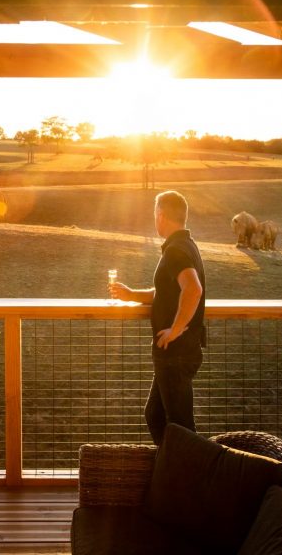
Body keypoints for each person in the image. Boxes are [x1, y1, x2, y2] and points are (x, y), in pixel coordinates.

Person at [109, 190, 206, 445]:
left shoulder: (175, 250)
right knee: (155, 415)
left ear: (161, 215)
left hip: (176, 352)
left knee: (182, 428)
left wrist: (175, 329)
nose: (155, 219)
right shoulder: (186, 245)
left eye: (155, 214)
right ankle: (171, 472)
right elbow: (168, 292)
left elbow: (193, 289)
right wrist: (132, 295)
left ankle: (190, 479)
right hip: (174, 351)